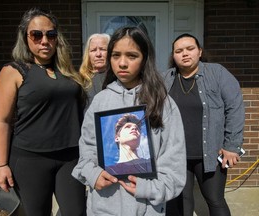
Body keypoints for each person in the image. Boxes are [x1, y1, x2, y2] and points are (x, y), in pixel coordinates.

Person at [72, 26, 186, 216]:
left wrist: (149, 189)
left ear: (144, 60)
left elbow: (174, 162)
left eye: (132, 56)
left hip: (147, 208)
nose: (122, 63)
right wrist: (93, 174)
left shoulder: (162, 102)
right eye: (116, 55)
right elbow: (87, 147)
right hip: (103, 207)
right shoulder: (100, 101)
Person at [0, 8, 87, 216]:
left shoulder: (67, 72)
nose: (45, 41)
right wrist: (1, 165)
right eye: (37, 34)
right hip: (30, 159)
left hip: (70, 157)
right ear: (25, 37)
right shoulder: (14, 71)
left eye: (51, 35)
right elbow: (1, 121)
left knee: (76, 212)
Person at [163, 33, 245, 216]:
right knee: (182, 201)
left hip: (210, 152)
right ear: (173, 56)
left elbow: (235, 107)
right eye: (179, 51)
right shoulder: (165, 79)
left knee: (215, 200)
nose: (185, 54)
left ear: (199, 52)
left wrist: (231, 146)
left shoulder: (217, 73)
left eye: (190, 49)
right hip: (176, 154)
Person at [79, 33, 110, 106]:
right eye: (93, 50)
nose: (98, 54)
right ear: (88, 54)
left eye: (103, 49)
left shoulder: (117, 78)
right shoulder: (80, 80)